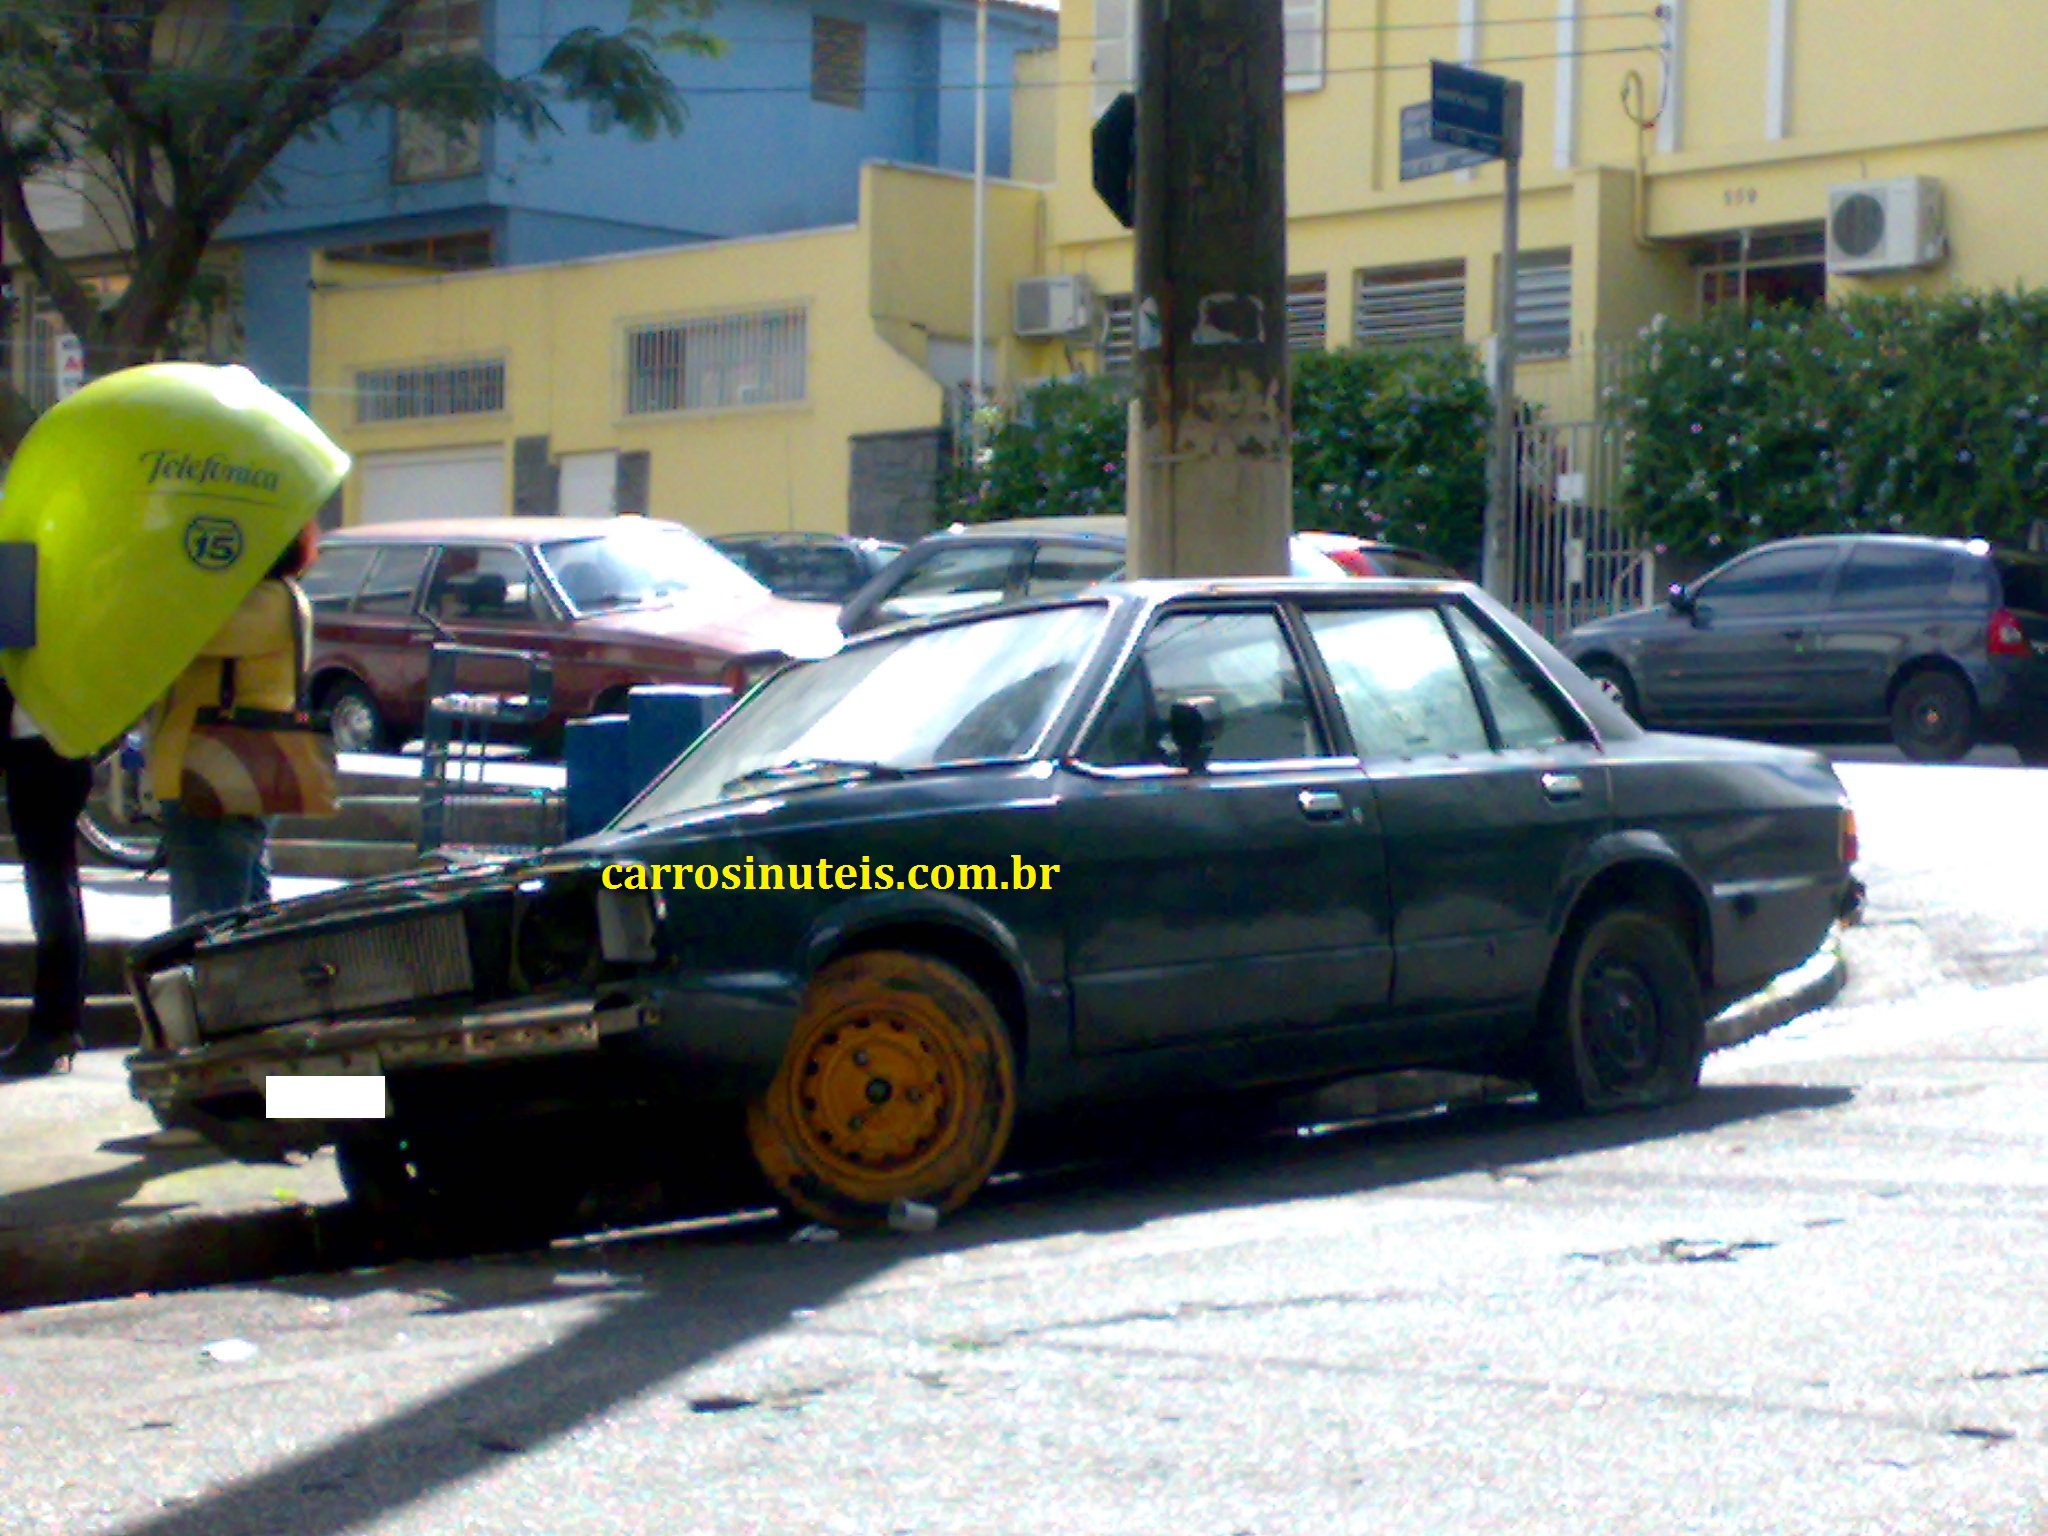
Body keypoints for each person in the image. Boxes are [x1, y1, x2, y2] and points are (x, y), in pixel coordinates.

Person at [148, 523, 319, 927]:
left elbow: (167, 640)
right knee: (249, 908)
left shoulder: (247, 604)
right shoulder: (289, 598)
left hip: (211, 771)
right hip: (261, 765)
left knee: (204, 923)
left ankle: (211, 991)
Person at [0, 679, 93, 1077]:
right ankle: (58, 1025)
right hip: (59, 742)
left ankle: (55, 1027)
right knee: (54, 886)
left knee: (50, 889)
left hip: (38, 746)